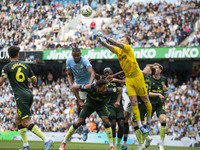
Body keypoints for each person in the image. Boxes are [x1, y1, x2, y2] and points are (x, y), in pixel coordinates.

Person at [91, 33, 152, 134]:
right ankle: (141, 126)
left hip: (137, 77)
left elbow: (115, 43)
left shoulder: (128, 48)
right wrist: (100, 41)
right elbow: (109, 46)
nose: (121, 40)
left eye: (123, 39)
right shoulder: (118, 51)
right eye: (121, 39)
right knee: (134, 102)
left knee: (145, 100)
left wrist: (104, 35)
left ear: (128, 42)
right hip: (129, 79)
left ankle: (148, 121)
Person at [0, 46, 53, 150]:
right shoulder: (25, 66)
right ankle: (25, 146)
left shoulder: (7, 67)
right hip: (28, 94)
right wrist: (26, 80)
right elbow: (34, 80)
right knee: (17, 119)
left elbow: (1, 82)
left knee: (25, 122)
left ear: (8, 55)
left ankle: (46, 140)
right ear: (18, 54)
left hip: (20, 96)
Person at [59, 79, 122, 150]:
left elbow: (120, 89)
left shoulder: (108, 90)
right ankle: (63, 142)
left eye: (106, 88)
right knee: (79, 121)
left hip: (101, 105)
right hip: (89, 104)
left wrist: (118, 101)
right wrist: (79, 101)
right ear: (98, 87)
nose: (105, 90)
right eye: (104, 88)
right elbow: (74, 88)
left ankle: (111, 146)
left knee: (106, 121)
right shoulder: (90, 87)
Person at [66, 46, 95, 141]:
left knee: (97, 106)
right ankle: (85, 129)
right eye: (74, 56)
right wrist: (71, 85)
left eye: (78, 56)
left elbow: (92, 73)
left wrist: (90, 83)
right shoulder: (69, 61)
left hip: (88, 85)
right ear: (72, 55)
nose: (76, 58)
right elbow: (69, 74)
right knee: (79, 108)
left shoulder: (85, 61)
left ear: (80, 54)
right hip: (79, 85)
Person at [97, 67, 125, 150]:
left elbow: (124, 72)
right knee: (112, 123)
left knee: (121, 124)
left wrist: (115, 78)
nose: (107, 74)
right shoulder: (103, 79)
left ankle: (118, 144)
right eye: (105, 72)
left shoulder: (117, 78)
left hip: (118, 104)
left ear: (112, 72)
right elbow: (95, 75)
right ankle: (112, 144)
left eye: (108, 72)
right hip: (108, 105)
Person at [149, 63, 168, 150]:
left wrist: (165, 89)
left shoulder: (164, 79)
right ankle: (146, 140)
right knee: (145, 123)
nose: (155, 69)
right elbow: (147, 93)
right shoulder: (149, 80)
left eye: (156, 68)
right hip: (150, 104)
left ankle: (161, 144)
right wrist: (158, 94)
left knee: (163, 120)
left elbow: (166, 88)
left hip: (160, 104)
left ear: (160, 70)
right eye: (154, 68)